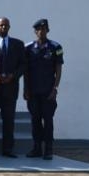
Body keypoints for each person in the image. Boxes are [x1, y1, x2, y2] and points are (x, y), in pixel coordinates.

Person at [24, 19, 63, 160]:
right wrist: (25, 89)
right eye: (38, 29)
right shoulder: (28, 48)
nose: (41, 31)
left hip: (48, 91)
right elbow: (26, 71)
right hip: (33, 91)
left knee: (48, 120)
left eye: (44, 29)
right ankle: (37, 148)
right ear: (35, 31)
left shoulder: (56, 47)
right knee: (35, 120)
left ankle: (48, 149)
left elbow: (58, 69)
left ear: (48, 30)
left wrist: (55, 89)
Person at [0, 17, 25, 157]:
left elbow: (23, 64)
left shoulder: (18, 44)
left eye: (6, 25)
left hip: (10, 88)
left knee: (9, 121)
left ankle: (8, 149)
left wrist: (13, 76)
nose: (3, 27)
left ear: (9, 27)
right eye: (1, 25)